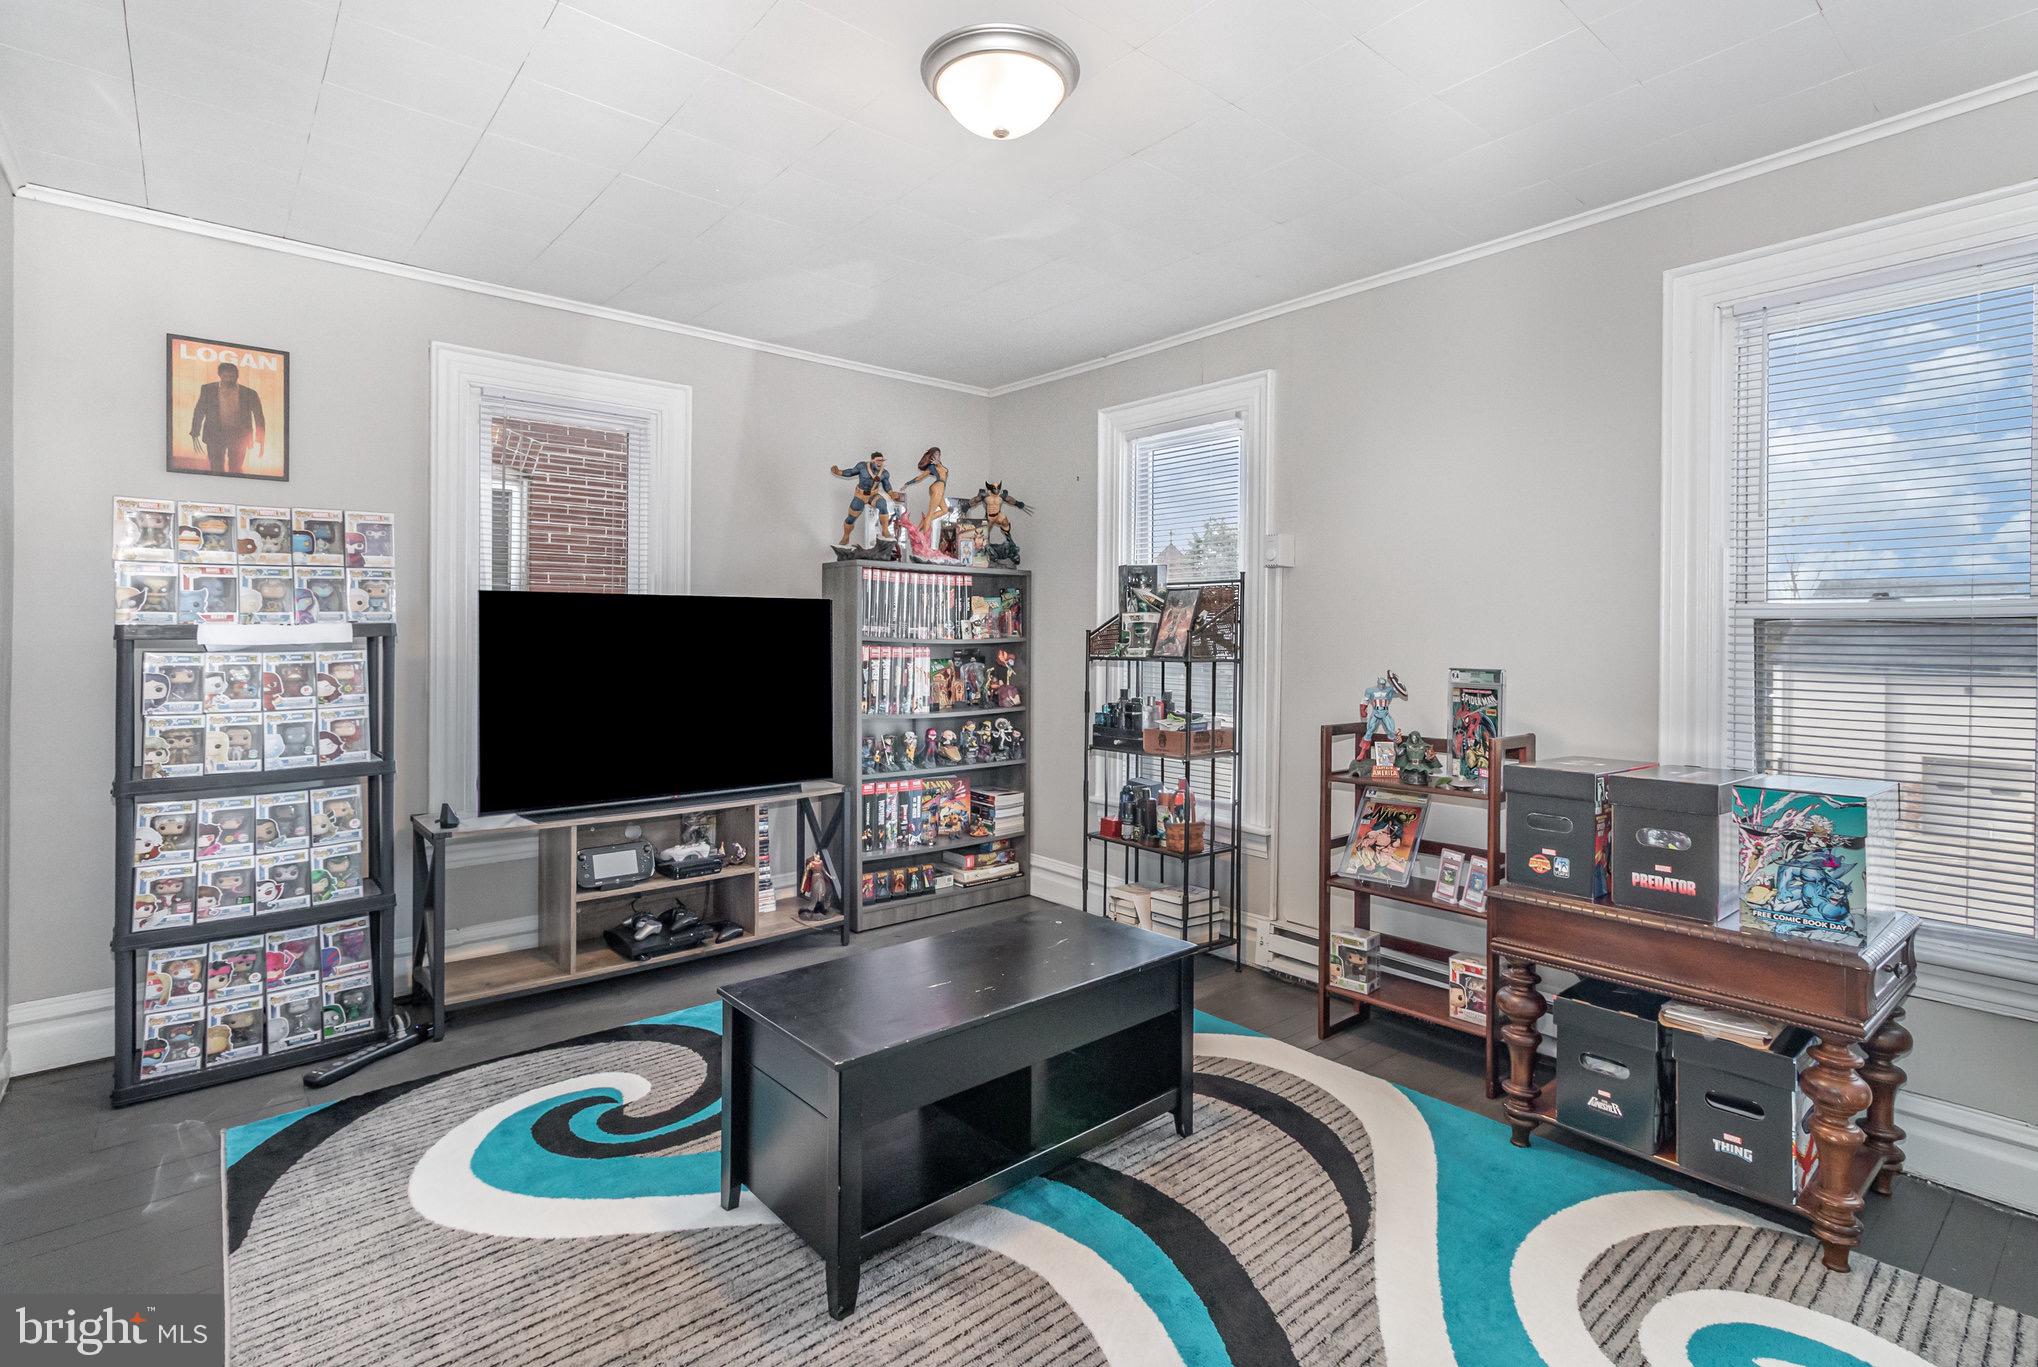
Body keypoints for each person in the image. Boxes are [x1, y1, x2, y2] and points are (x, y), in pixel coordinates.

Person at [188, 361, 267, 475]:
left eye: (232, 376)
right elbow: (199, 411)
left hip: (239, 436)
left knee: (236, 469)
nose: (229, 379)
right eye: (225, 376)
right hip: (215, 434)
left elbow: (259, 417)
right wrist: (195, 431)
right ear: (220, 375)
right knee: (216, 468)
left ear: (237, 376)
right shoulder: (208, 389)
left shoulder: (250, 393)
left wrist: (260, 439)